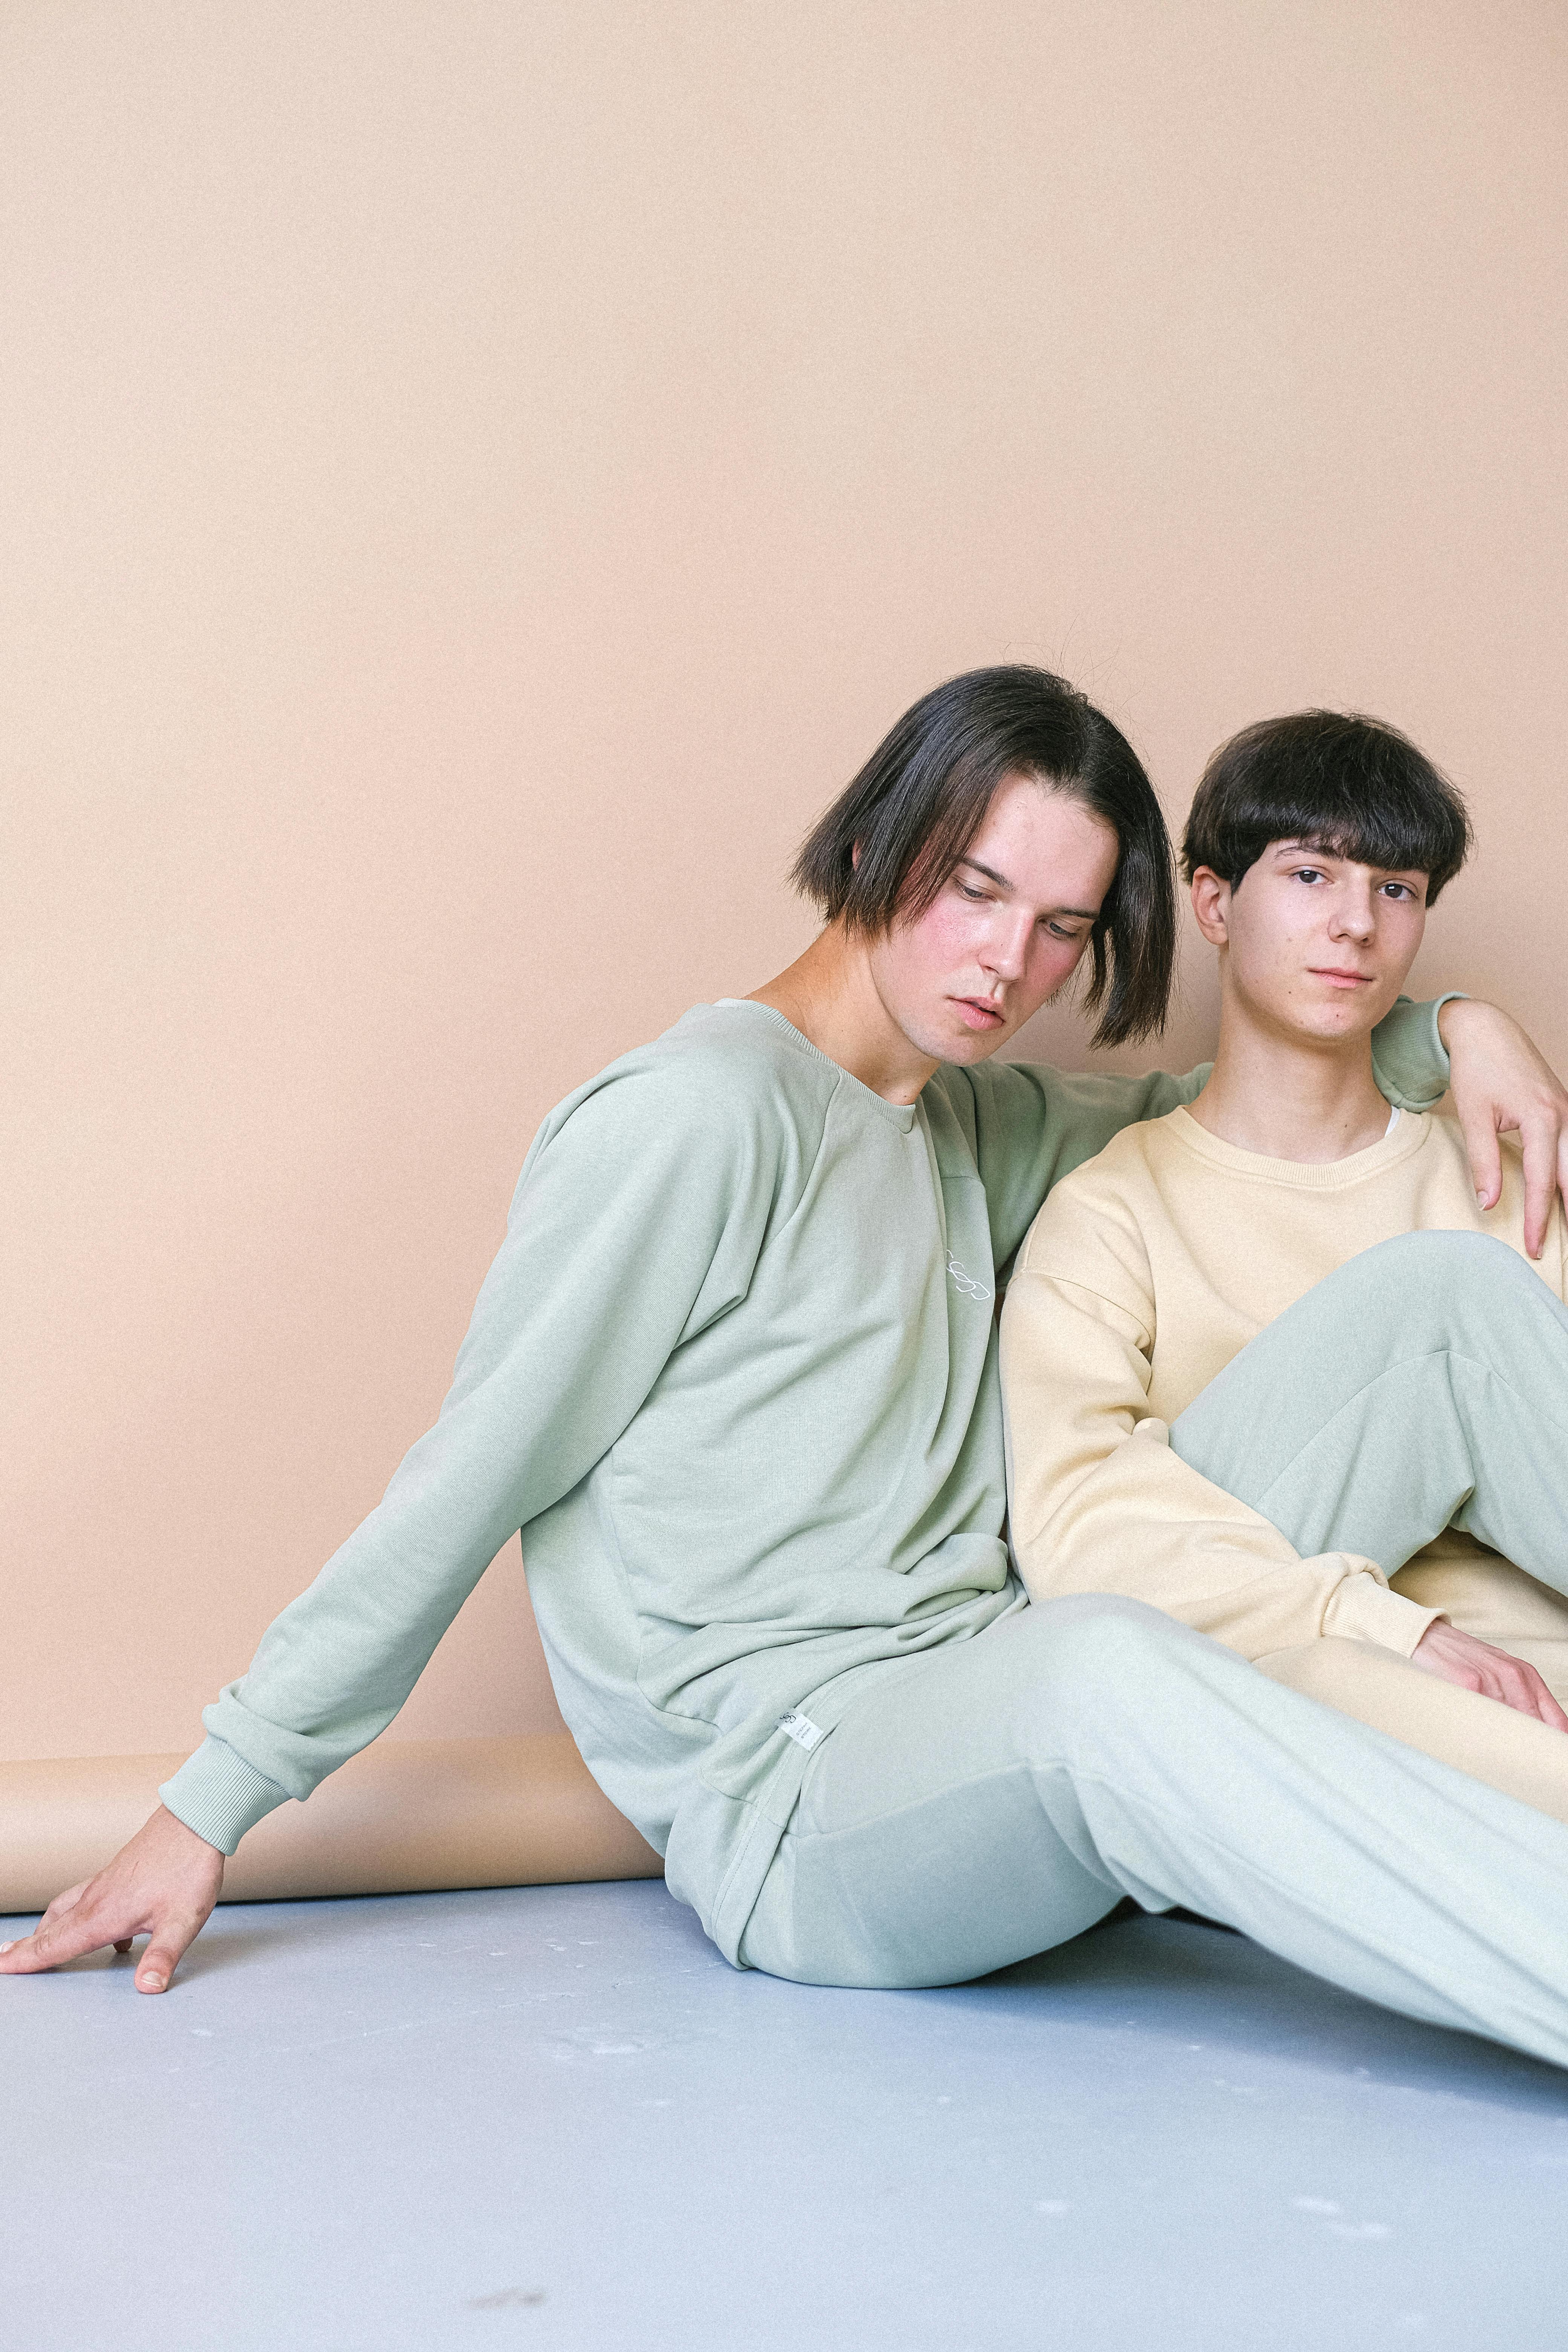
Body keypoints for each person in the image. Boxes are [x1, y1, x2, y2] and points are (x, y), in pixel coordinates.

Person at [9, 670, 1568, 2067]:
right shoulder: (696, 1116)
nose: (1005, 963)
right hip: (814, 1809)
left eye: (1061, 931)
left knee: (1437, 1295)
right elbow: (465, 1478)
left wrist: (1460, 1029)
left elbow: (1236, 1083)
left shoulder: (975, 1118)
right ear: (884, 845)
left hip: (1008, 1691)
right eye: (972, 891)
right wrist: (208, 1804)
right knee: (1103, 1660)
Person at [1001, 709, 1568, 1815]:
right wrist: (1389, 1624)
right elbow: (1075, 1534)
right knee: (1441, 1300)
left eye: (1396, 890)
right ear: (1214, 902)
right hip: (1319, 1660)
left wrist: (1467, 1024)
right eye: (1311, 875)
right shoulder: (1113, 1211)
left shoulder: (1504, 1184)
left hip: (1527, 1659)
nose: (1356, 924)